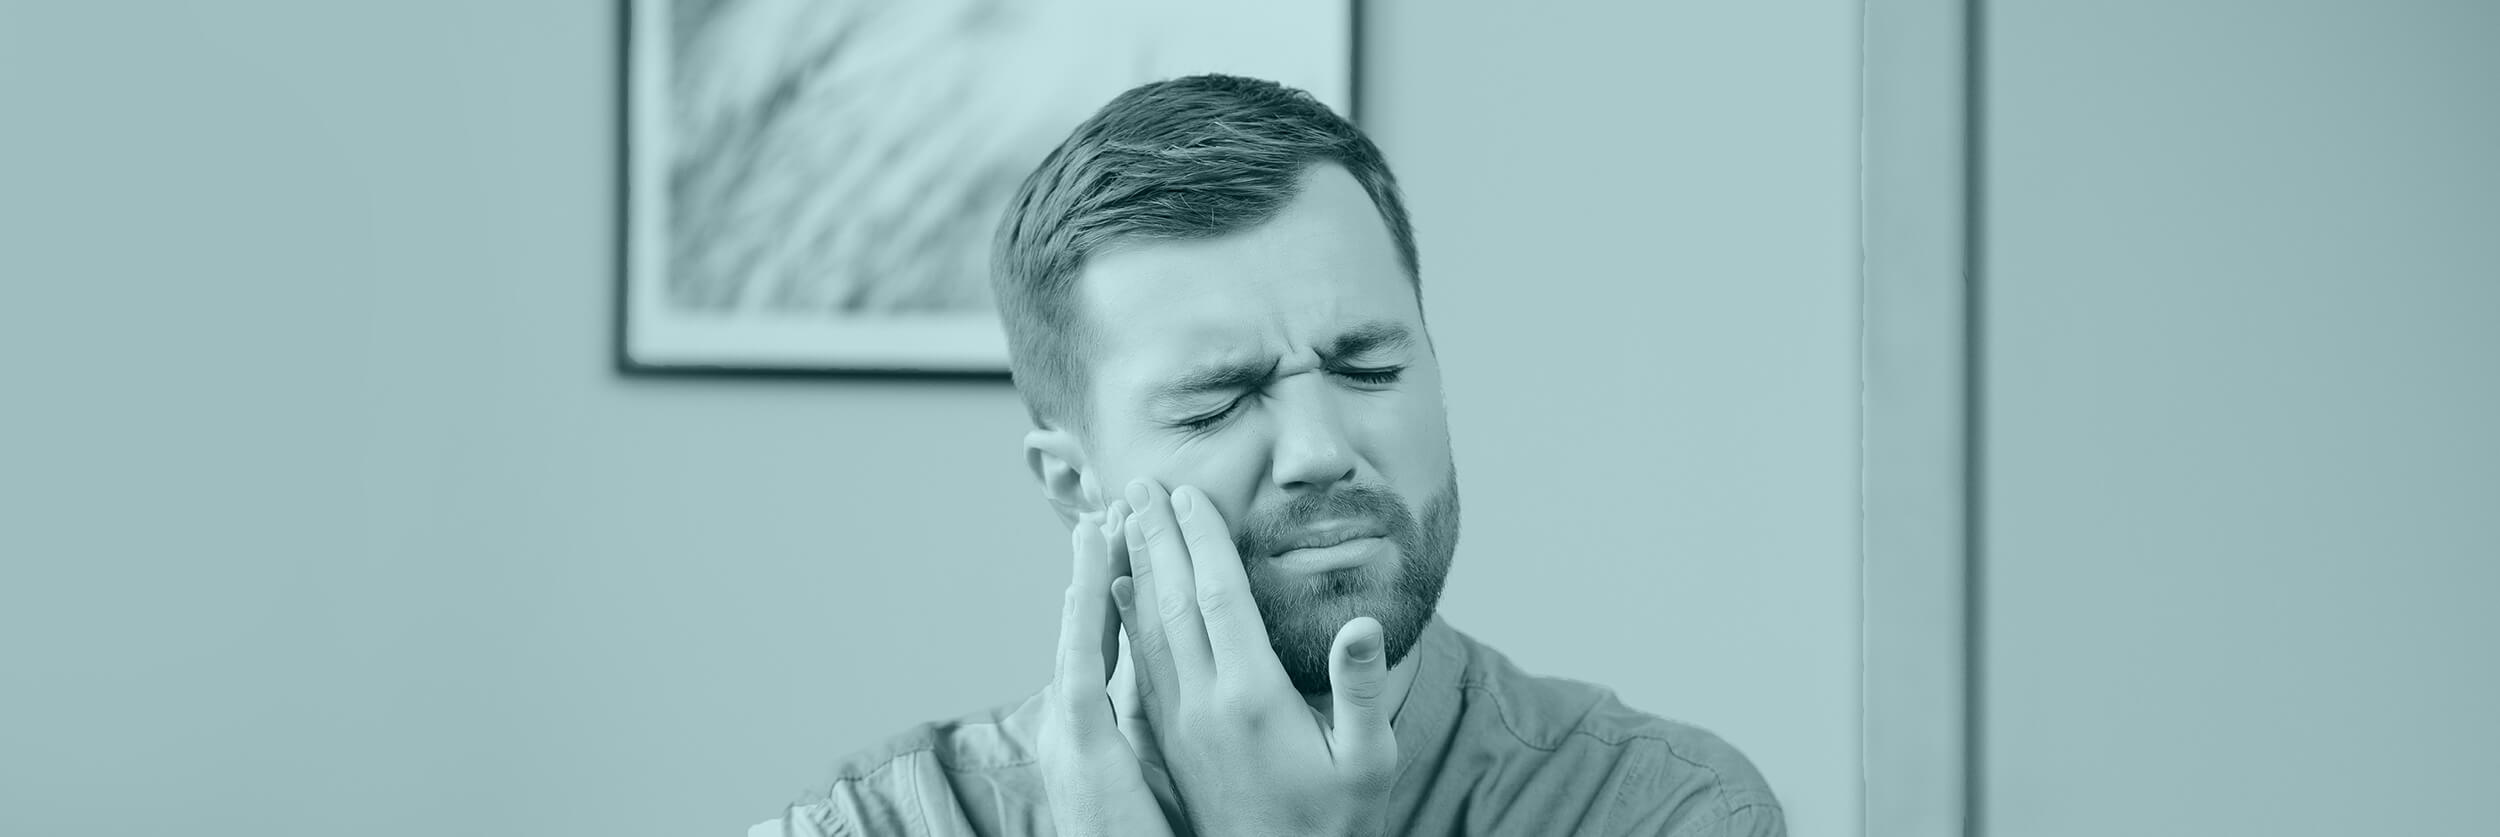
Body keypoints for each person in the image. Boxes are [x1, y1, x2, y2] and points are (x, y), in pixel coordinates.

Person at [752, 74, 1785, 837]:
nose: (1319, 450)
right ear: (1076, 485)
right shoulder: (875, 829)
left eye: (1369, 367)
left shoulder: (1662, 811)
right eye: (1215, 404)